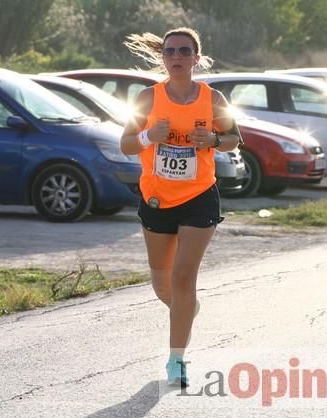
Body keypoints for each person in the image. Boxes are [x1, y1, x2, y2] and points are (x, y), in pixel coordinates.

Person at [121, 28, 242, 387]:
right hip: (157, 199)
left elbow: (235, 138)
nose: (176, 56)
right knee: (163, 287)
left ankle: (176, 359)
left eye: (184, 51)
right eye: (170, 51)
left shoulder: (213, 97)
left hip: (199, 196)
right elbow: (126, 145)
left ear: (196, 58)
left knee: (183, 277)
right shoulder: (147, 97)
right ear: (163, 57)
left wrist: (215, 140)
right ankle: (186, 309)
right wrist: (148, 137)